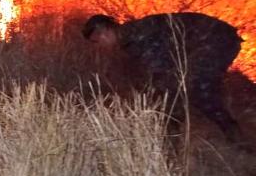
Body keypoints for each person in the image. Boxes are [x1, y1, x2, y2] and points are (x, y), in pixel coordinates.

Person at [82, 12, 243, 140]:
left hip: (217, 38)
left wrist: (165, 111)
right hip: (211, 40)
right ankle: (230, 130)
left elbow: (162, 72)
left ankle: (236, 137)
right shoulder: (130, 38)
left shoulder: (137, 36)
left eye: (97, 41)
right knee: (188, 86)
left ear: (103, 32)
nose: (100, 47)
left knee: (199, 89)